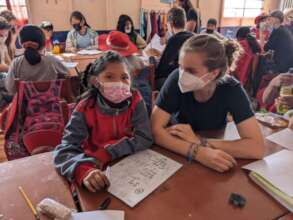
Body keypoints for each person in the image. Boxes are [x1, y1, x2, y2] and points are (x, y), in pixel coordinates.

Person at [151, 34, 265, 173]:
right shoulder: (175, 79)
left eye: (191, 71)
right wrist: (197, 152)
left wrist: (201, 142)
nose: (182, 74)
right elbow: (155, 130)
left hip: (211, 151)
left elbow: (256, 148)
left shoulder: (231, 89)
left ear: (213, 73)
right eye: (180, 67)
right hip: (177, 148)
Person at [54, 51, 152, 192]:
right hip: (94, 167)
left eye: (124, 77)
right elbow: (65, 149)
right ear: (96, 81)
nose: (118, 83)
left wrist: (109, 152)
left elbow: (144, 138)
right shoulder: (85, 108)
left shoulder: (136, 101)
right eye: (109, 77)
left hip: (129, 167)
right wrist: (83, 171)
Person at [5, 25, 68, 95]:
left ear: (21, 43)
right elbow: (67, 75)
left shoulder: (16, 63)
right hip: (52, 104)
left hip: (25, 105)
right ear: (43, 43)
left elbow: (10, 89)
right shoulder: (52, 61)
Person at [155, 7, 194, 90]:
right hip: (193, 79)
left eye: (167, 25)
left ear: (171, 24)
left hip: (179, 82)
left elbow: (161, 69)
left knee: (156, 81)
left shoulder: (173, 40)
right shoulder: (194, 37)